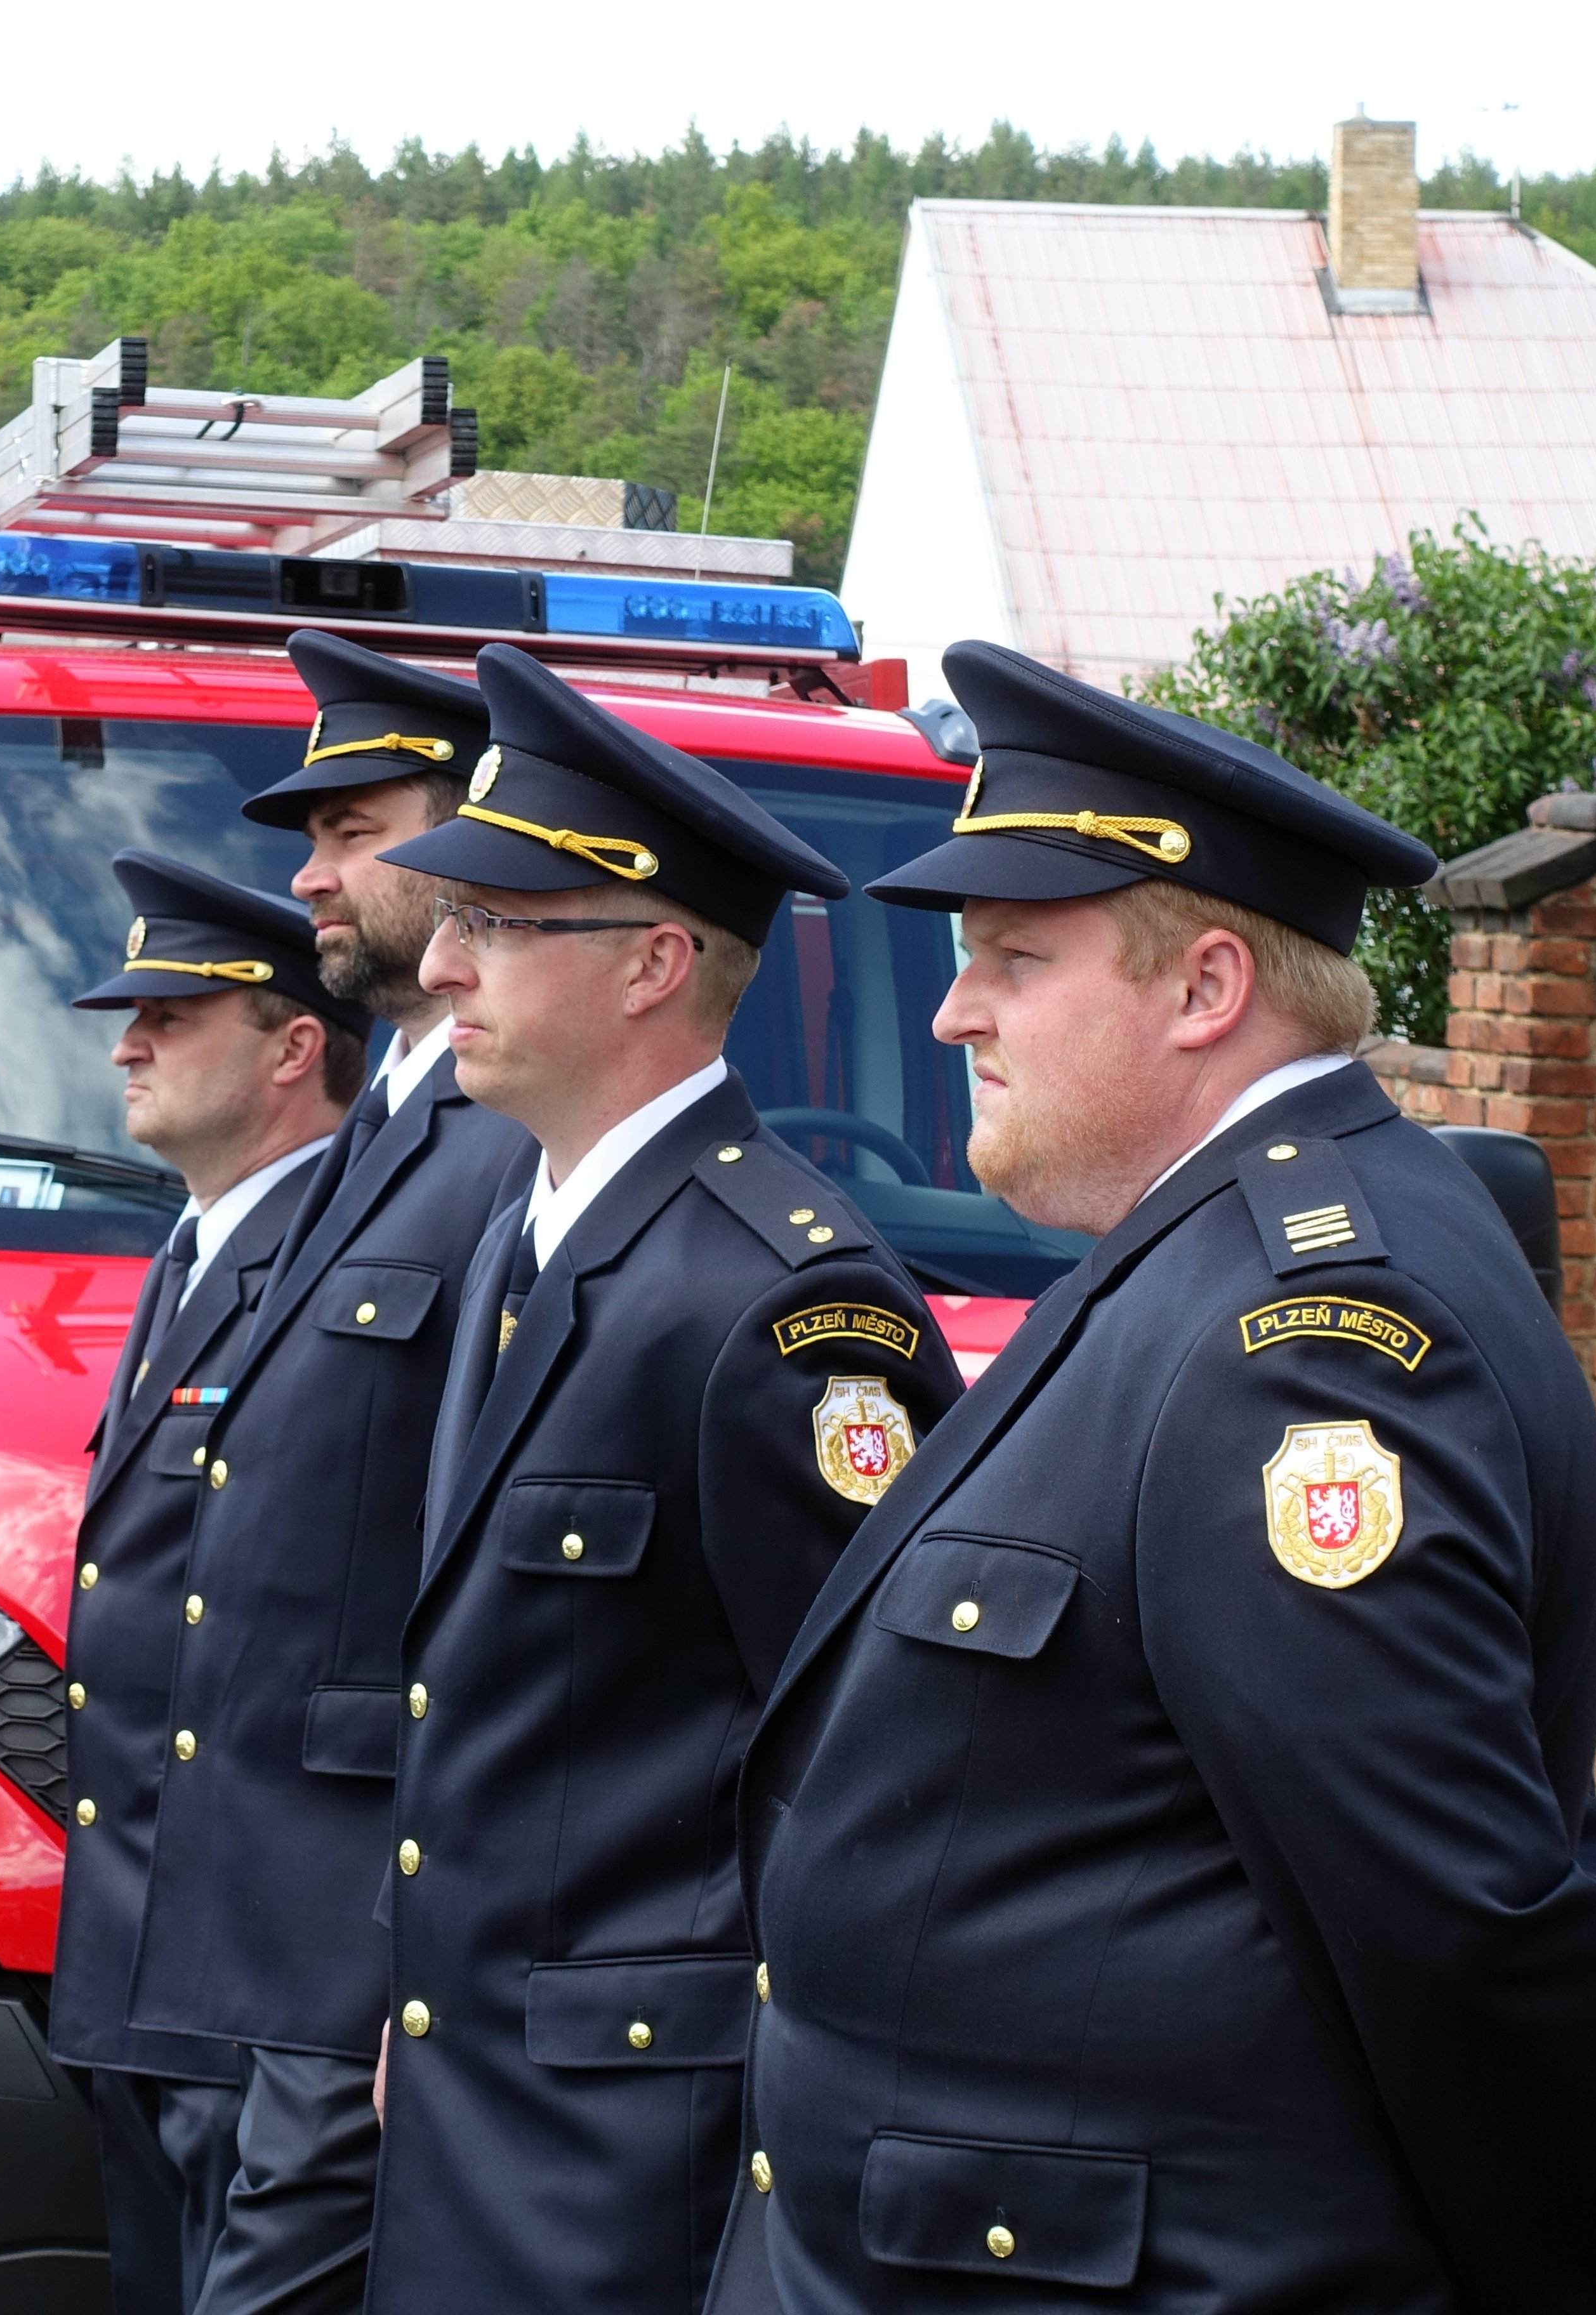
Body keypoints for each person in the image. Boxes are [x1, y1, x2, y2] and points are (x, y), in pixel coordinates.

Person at [710, 641, 1596, 2315]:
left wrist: (1590, 2273)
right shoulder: (1196, 1252)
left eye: (1015, 960)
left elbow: (1460, 1913)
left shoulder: (1300, 1337)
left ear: (1206, 991)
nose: (954, 1010)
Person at [359, 643, 960, 2315]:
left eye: (498, 926)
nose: (449, 964)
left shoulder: (787, 1303)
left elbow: (874, 1781)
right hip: (480, 2102)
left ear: (653, 963)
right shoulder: (524, 1232)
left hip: (649, 2159)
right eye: (453, 920)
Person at [119, 634, 534, 2315]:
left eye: (356, 830)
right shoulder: (390, 1125)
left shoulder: (505, 1139)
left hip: (371, 1924)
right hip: (276, 1922)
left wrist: (401, 1957)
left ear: (477, 834)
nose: (309, 876)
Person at [53, 850, 366, 2315]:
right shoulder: (198, 1246)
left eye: (172, 1014)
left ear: (296, 1045)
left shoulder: (334, 1261)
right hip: (145, 1953)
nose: (128, 1041)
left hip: (252, 1964)